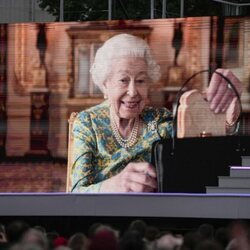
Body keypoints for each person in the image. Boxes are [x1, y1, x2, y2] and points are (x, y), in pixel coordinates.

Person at [71, 33, 242, 193]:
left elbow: (202, 150)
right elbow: (76, 193)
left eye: (141, 81)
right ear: (105, 84)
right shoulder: (88, 122)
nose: (133, 91)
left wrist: (225, 118)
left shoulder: (160, 121)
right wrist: (114, 184)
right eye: (123, 80)